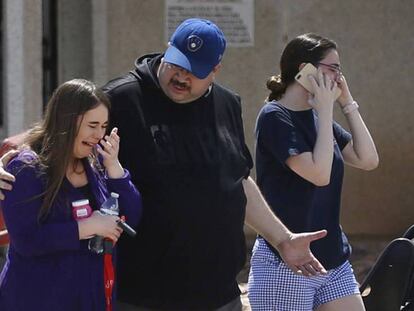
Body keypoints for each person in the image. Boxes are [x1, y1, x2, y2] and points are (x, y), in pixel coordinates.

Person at [0, 19, 325, 311]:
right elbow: (66, 130)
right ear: (168, 50)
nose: (181, 75)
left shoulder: (227, 104)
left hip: (218, 294)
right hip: (144, 295)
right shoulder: (123, 98)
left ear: (215, 70)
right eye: (177, 63)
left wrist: (282, 239)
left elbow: (238, 179)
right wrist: (12, 155)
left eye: (194, 70)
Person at [247, 33, 379, 311]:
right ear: (304, 70)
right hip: (288, 263)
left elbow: (368, 159)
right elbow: (319, 175)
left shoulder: (319, 117)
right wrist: (327, 108)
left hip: (333, 263)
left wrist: (347, 102)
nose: (338, 76)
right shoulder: (274, 117)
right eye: (333, 68)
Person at [0, 79, 142, 311]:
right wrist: (87, 226)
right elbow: (26, 239)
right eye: (92, 125)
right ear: (66, 121)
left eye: (104, 126)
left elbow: (130, 217)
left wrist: (115, 167)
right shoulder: (24, 168)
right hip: (35, 299)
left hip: (89, 298)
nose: (99, 134)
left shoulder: (95, 162)